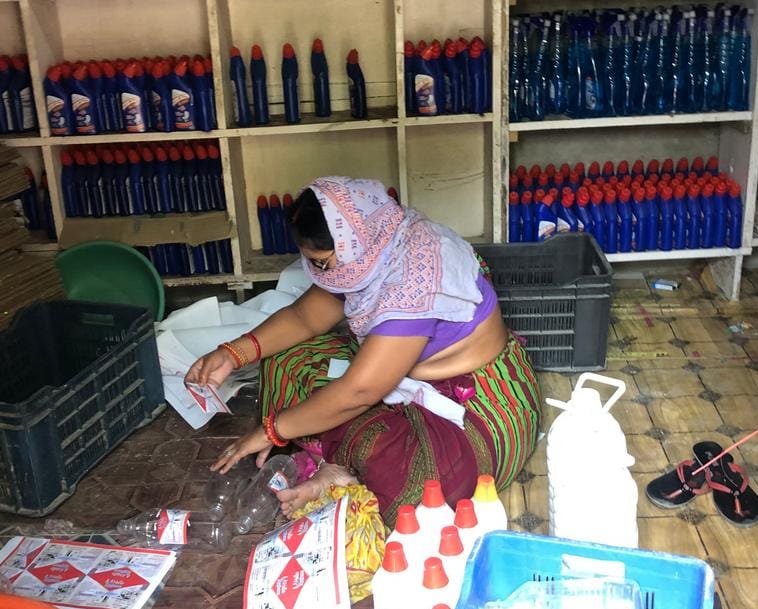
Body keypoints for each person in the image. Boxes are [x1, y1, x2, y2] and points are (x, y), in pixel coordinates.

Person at [188, 177, 540, 526]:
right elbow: (304, 318)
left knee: (425, 486)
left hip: (469, 409)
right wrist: (233, 354)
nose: (317, 273)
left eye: (322, 263)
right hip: (394, 379)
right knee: (285, 360)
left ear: (347, 245)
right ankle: (338, 461)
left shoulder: (413, 283)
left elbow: (360, 391)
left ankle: (341, 468)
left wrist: (271, 431)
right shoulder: (374, 243)